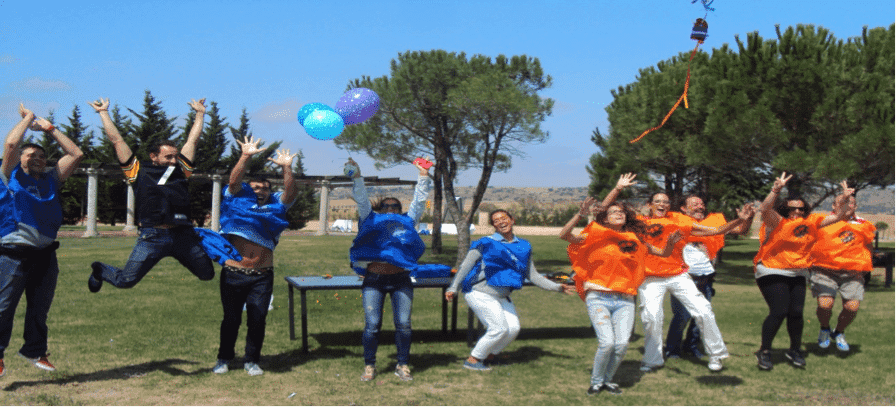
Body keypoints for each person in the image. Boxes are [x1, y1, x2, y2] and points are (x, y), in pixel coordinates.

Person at [605, 174, 753, 373]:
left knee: (703, 310)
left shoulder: (678, 220)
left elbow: (714, 230)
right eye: (657, 201)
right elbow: (605, 210)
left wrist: (739, 220)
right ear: (649, 204)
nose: (662, 204)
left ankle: (716, 355)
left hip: (677, 275)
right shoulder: (637, 223)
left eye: (666, 201)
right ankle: (652, 360)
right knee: (651, 317)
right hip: (650, 279)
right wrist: (618, 187)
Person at [87, 98, 214, 292]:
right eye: (168, 156)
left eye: (175, 156)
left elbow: (192, 141)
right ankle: (100, 270)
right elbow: (117, 141)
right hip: (153, 236)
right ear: (153, 157)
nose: (173, 160)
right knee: (125, 281)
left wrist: (200, 114)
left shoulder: (182, 171)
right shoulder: (137, 171)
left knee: (207, 274)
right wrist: (103, 112)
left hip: (183, 235)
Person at [561, 196, 681, 396]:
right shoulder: (596, 233)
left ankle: (608, 380)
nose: (619, 214)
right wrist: (580, 214)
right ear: (605, 219)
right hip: (599, 296)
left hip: (625, 299)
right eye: (613, 212)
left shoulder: (635, 239)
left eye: (621, 212)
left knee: (622, 344)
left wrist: (669, 244)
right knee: (607, 343)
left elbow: (662, 254)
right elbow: (565, 235)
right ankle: (597, 381)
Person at [0, 104, 83, 374]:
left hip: (46, 253)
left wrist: (50, 129)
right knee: (3, 307)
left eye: (41, 156)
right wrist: (28, 120)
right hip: (14, 251)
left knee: (39, 309)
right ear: (20, 160)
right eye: (31, 155)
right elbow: (12, 144)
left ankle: (35, 351)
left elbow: (76, 153)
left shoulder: (51, 179)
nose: (37, 159)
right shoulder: (11, 175)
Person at [445, 209, 575, 372]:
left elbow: (532, 275)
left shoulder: (523, 246)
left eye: (503, 218)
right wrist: (453, 287)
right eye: (496, 220)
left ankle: (490, 355)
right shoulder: (485, 242)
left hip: (502, 295)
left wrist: (557, 287)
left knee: (513, 329)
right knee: (498, 328)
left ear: (512, 220)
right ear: (494, 226)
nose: (501, 221)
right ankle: (473, 359)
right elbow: (465, 266)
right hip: (479, 292)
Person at [211, 136, 298, 376]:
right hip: (233, 273)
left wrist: (287, 168)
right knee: (230, 320)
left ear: (271, 191)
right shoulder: (236, 199)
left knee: (257, 320)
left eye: (265, 188)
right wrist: (246, 156)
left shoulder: (276, 207)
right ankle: (223, 359)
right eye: (256, 187)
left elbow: (291, 192)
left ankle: (251, 360)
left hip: (262, 275)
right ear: (249, 189)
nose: (260, 191)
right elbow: (234, 180)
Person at [753, 172, 852, 370]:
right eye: (792, 209)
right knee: (779, 310)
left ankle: (795, 350)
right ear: (785, 209)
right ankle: (764, 351)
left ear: (805, 209)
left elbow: (839, 216)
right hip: (772, 270)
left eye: (800, 209)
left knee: (796, 313)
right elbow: (764, 208)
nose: (796, 212)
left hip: (798, 272)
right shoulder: (777, 221)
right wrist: (776, 190)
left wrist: (844, 199)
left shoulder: (813, 222)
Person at [348, 158, 432, 382]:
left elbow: (419, 202)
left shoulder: (407, 221)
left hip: (401, 280)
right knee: (372, 326)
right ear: (379, 209)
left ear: (400, 210)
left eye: (395, 206)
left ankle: (402, 365)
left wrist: (423, 176)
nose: (391, 209)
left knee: (404, 325)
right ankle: (369, 366)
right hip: (374, 280)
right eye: (386, 206)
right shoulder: (369, 219)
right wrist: (357, 176)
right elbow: (362, 199)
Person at [665, 195, 752, 359]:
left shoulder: (714, 222)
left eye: (702, 204)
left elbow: (742, 231)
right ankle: (672, 350)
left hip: (706, 277)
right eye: (695, 204)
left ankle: (691, 346)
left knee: (703, 316)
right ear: (683, 208)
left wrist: (746, 219)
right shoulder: (675, 222)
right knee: (682, 316)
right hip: (683, 277)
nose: (700, 207)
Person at [810, 192, 874, 353]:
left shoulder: (864, 225)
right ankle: (824, 329)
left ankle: (839, 332)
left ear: (856, 206)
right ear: (834, 205)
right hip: (824, 270)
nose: (847, 205)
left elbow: (869, 248)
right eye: (842, 202)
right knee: (825, 304)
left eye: (850, 202)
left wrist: (866, 267)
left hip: (853, 273)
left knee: (852, 307)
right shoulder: (822, 222)